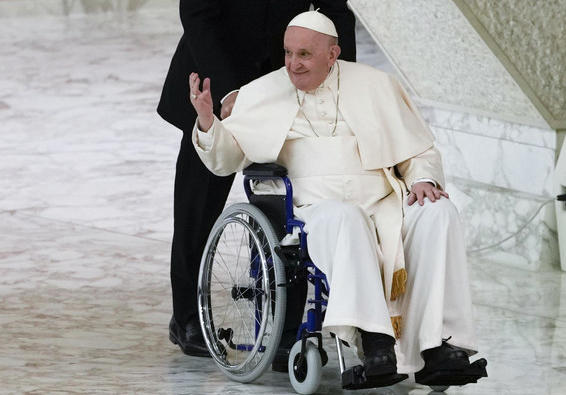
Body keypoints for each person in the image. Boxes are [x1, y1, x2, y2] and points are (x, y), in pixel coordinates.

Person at [188, 10, 485, 387]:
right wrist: (208, 123)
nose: (293, 65)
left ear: (333, 54)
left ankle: (440, 346)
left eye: (305, 55)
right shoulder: (261, 93)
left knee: (439, 211)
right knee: (346, 219)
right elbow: (226, 159)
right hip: (315, 211)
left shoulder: (376, 85)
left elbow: (418, 151)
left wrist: (423, 179)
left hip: (385, 202)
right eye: (288, 53)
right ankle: (375, 342)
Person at [157, 0, 357, 365]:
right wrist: (231, 91)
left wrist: (346, 84)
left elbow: (335, 11)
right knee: (197, 210)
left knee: (284, 206)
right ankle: (187, 317)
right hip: (213, 78)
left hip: (283, 83)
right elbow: (198, 12)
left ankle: (282, 330)